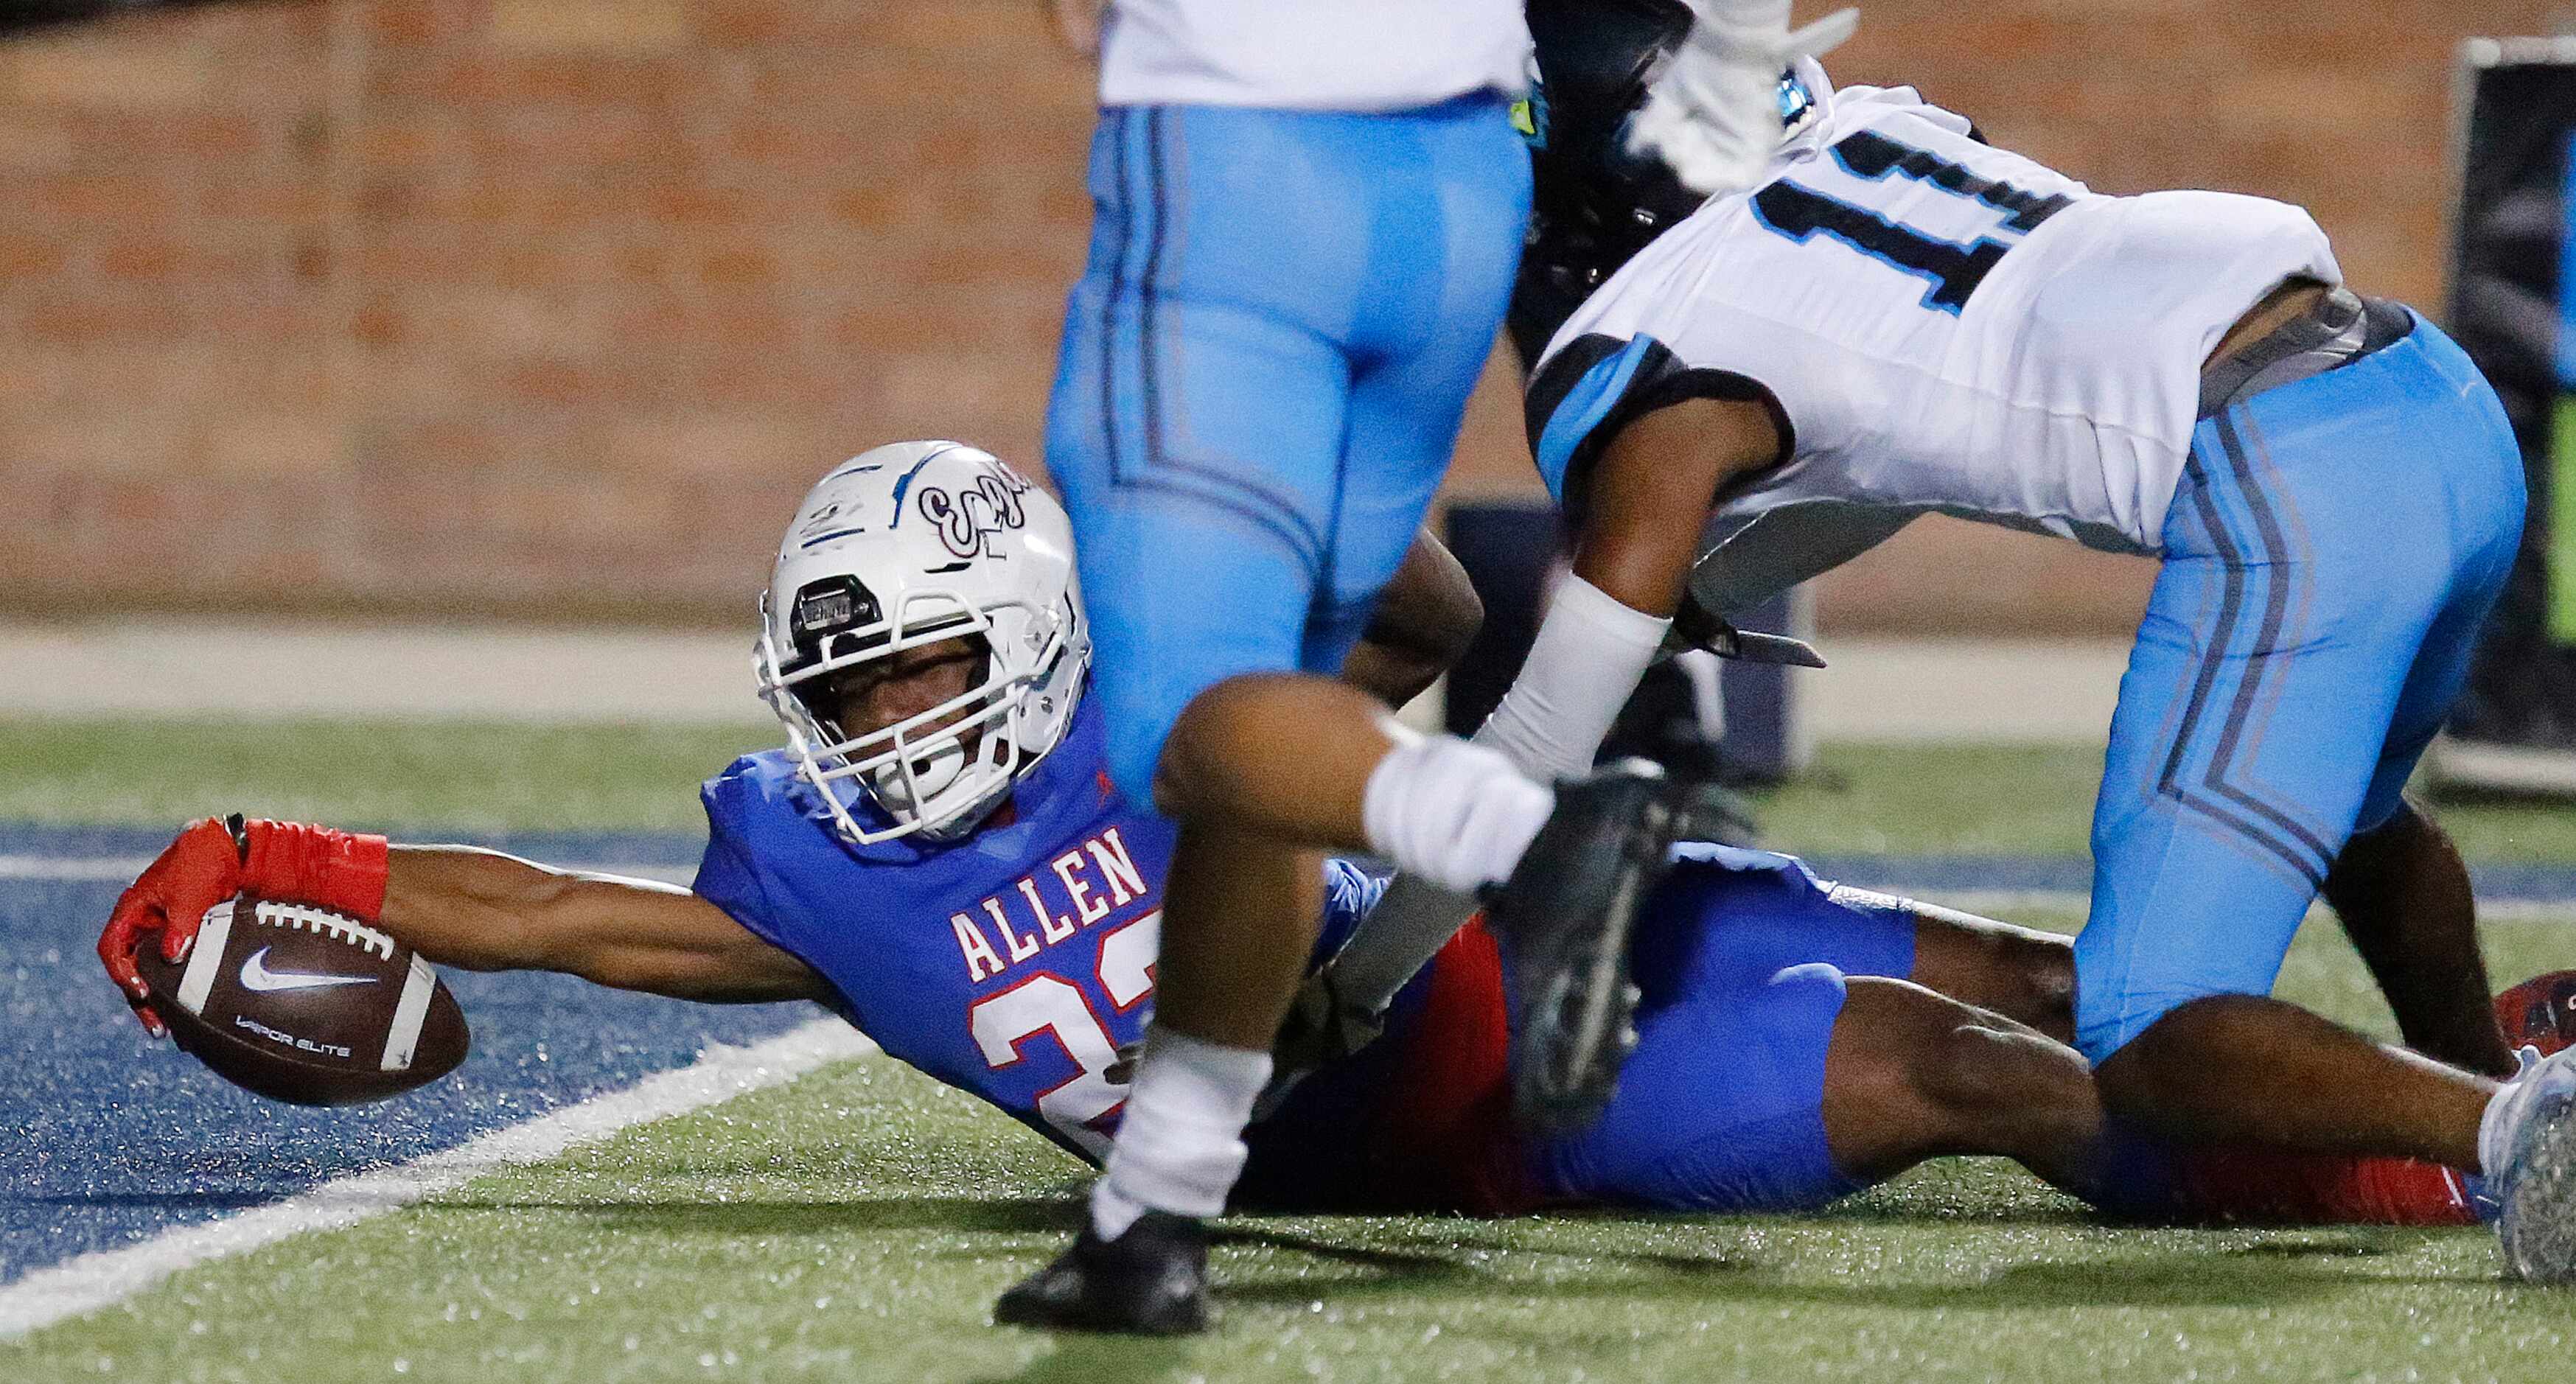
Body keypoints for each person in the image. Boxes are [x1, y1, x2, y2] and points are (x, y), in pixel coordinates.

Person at [97, 447, 2558, 1324]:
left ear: (1036, 627)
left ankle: (2476, 1069)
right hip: (1454, 1109)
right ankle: (2477, 1179)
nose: (877, 733)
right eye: (839, 697)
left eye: (917, 675)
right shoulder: (820, 881)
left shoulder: (1169, 681)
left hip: (1490, 940)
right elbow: (543, 913)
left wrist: (1275, 481)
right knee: (1987, 1068)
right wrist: (259, 860)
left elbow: (1425, 627)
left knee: (2053, 966)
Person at [1330, 0, 2576, 1281]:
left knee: (2147, 1034)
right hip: (2431, 399)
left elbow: (1537, 741)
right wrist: (1719, 565)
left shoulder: (1658, 341)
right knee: (2359, 822)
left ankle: (2518, 1124)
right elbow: (1897, 421)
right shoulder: (1872, 131)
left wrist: (1363, 984)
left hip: (2295, 488)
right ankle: (2487, 1082)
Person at [1014, 0, 1869, 1334]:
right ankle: (1154, 1214)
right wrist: (1731, 64)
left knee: (1188, 713)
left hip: (1242, 166)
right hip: (1457, 191)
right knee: (1289, 714)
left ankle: (1525, 842)